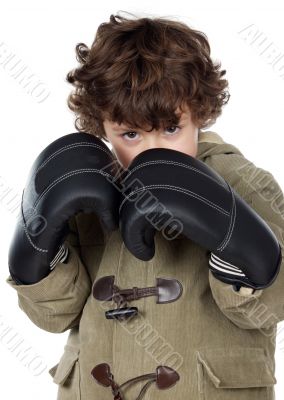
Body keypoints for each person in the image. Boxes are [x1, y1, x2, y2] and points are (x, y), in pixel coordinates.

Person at [6, 12, 284, 400]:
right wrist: (32, 250)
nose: (153, 152)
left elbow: (268, 308)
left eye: (171, 129)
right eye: (131, 133)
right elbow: (53, 316)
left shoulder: (239, 179)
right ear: (100, 126)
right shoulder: (90, 188)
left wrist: (235, 236)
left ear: (199, 113)